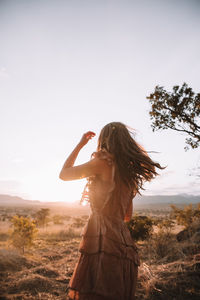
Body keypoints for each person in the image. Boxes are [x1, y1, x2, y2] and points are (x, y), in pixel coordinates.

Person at [59, 122, 164, 300]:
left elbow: (64, 174)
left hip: (102, 239)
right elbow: (127, 216)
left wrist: (80, 144)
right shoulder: (129, 175)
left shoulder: (102, 162)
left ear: (104, 140)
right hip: (124, 244)